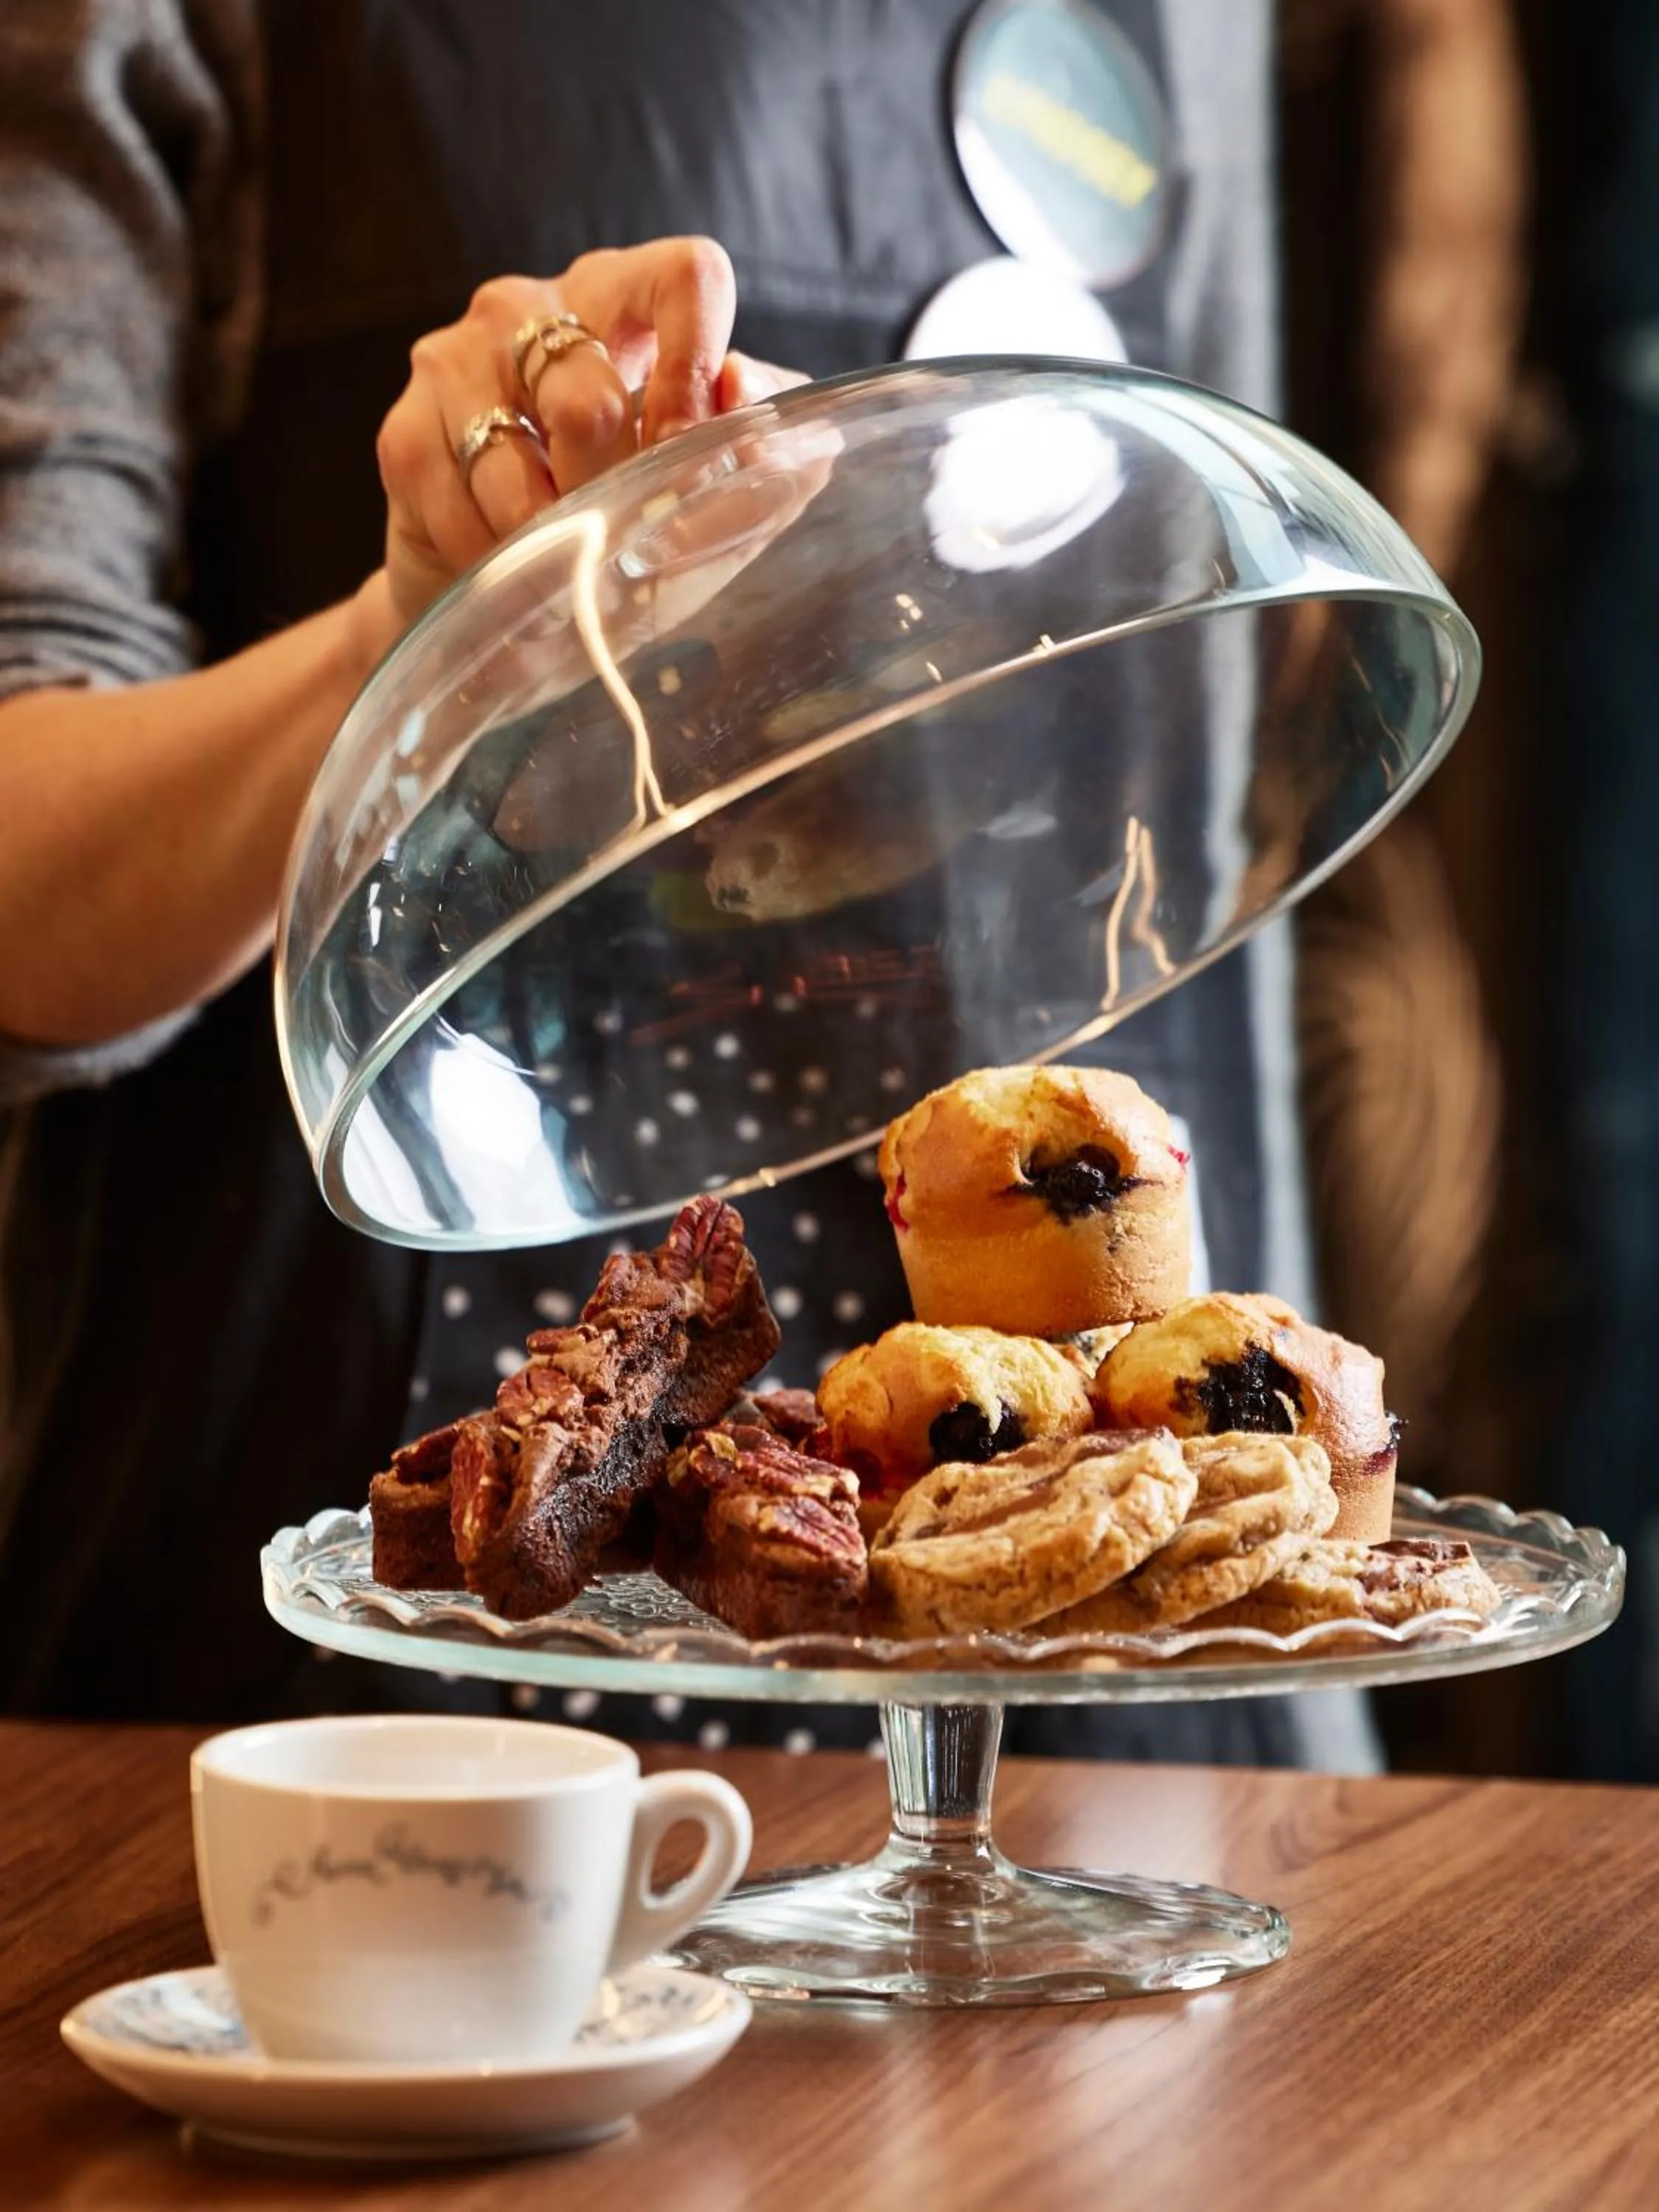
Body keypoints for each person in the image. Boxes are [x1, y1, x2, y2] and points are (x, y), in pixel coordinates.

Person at [1, 0, 1374, 1764]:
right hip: (364, 1701)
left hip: (1106, 1722)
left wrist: (1304, 1707)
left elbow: (1195, 787)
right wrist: (409, 636)